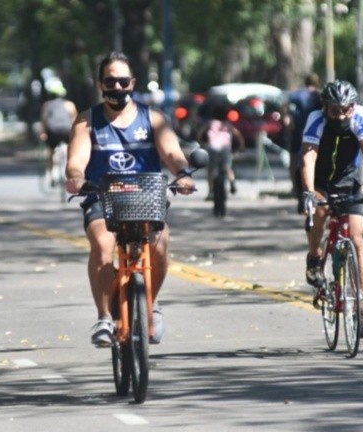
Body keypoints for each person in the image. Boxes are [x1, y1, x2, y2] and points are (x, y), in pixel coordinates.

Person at [65, 51, 196, 346]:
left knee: (159, 245)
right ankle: (104, 318)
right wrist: (75, 177)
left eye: (123, 81)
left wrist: (183, 174)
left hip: (146, 197)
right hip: (102, 197)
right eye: (110, 81)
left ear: (133, 83)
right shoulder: (87, 121)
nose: (117, 88)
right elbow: (76, 161)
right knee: (102, 245)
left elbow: (173, 154)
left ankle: (149, 304)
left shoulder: (154, 119)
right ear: (100, 84)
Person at [301, 79, 363, 339]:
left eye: (346, 110)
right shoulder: (315, 120)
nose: (341, 115)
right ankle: (314, 257)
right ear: (325, 108)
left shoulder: (360, 116)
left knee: (357, 240)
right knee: (318, 213)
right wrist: (308, 192)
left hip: (349, 182)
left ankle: (360, 309)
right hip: (320, 181)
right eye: (334, 110)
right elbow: (308, 157)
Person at [282, 73, 322, 203]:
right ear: (317, 83)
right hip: (316, 132)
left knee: (294, 158)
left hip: (299, 130)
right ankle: (315, 185)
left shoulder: (298, 94)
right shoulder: (319, 95)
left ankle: (295, 186)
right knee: (314, 158)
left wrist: (286, 118)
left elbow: (284, 104)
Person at [196, 104, 244, 200]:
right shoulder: (227, 124)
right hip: (225, 147)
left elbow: (200, 133)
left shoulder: (210, 123)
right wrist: (241, 146)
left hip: (212, 147)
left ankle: (210, 192)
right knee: (227, 167)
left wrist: (200, 143)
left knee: (211, 170)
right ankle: (232, 182)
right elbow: (238, 135)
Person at [40, 81, 78, 183]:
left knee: (51, 151)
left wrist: (43, 133)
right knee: (70, 150)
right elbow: (74, 120)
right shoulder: (70, 104)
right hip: (66, 130)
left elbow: (44, 121)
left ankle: (51, 174)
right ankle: (69, 171)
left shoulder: (46, 105)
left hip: (52, 131)